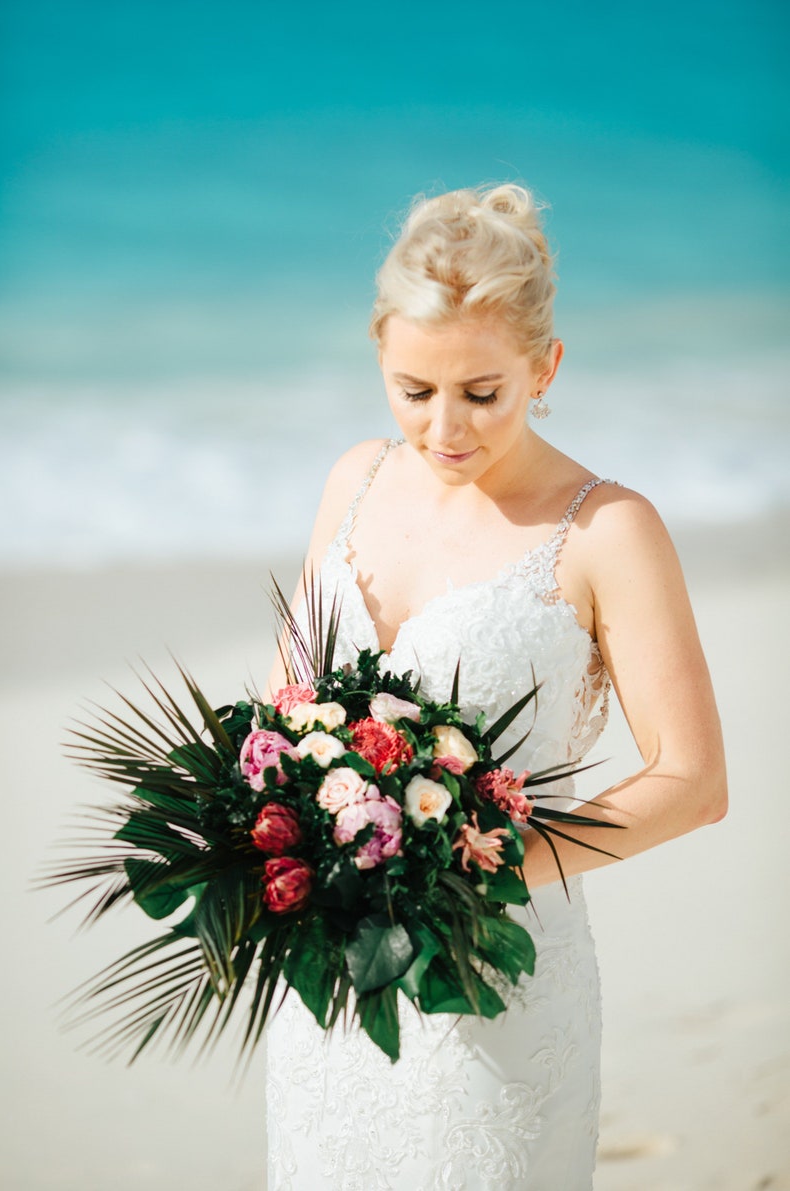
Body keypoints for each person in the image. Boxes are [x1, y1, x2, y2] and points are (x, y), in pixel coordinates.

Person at [264, 183, 727, 1189]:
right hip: (333, 974)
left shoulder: (607, 532)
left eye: (481, 394)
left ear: (545, 368)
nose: (443, 430)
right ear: (381, 351)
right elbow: (285, 714)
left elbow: (692, 782)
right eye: (412, 390)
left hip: (491, 980)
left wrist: (485, 867)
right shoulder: (354, 478)